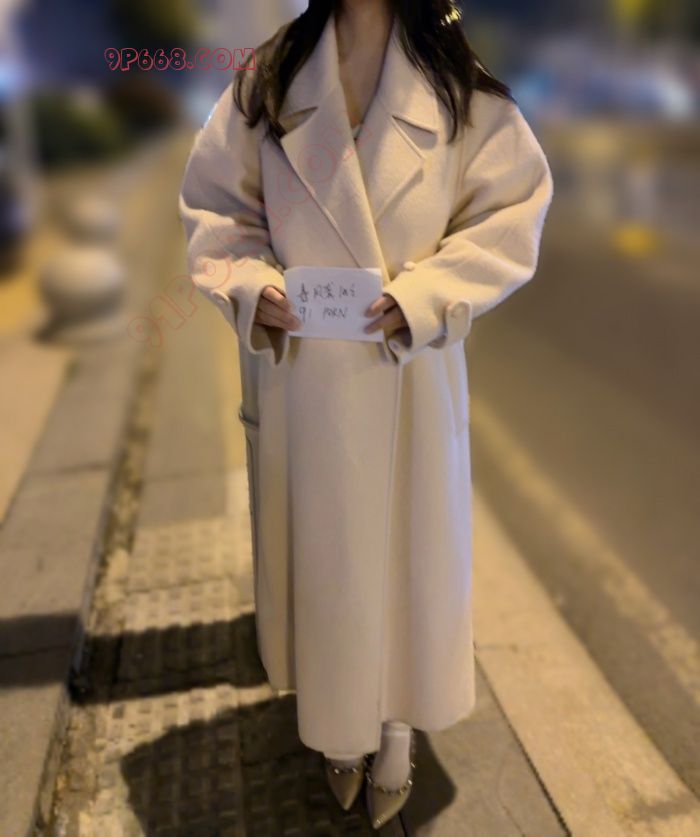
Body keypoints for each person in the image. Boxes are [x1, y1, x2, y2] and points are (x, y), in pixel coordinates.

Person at [178, 0, 553, 828]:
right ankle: (337, 725)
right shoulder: (272, 74)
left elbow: (511, 209)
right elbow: (217, 207)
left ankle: (395, 728)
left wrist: (431, 294)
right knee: (329, 566)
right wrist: (250, 285)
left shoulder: (452, 79)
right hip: (306, 378)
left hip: (406, 370)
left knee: (408, 562)